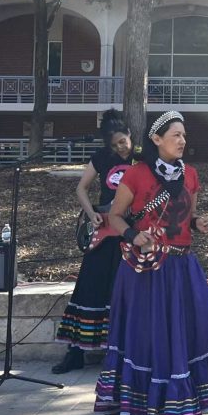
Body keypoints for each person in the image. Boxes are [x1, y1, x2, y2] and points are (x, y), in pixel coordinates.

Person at [94, 111, 208, 415]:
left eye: (184, 135)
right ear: (156, 139)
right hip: (145, 270)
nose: (183, 141)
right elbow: (115, 216)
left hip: (183, 266)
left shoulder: (191, 175)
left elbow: (189, 215)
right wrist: (133, 236)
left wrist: (200, 223)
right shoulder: (137, 175)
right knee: (146, 337)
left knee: (207, 328)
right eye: (176, 135)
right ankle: (139, 414)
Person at [52, 109, 140, 374]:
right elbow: (81, 187)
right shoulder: (102, 158)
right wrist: (92, 214)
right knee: (89, 285)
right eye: (115, 145)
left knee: (126, 289)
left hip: (133, 230)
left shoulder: (143, 159)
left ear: (130, 135)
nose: (121, 148)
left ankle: (127, 352)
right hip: (105, 230)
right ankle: (76, 351)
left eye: (123, 142)